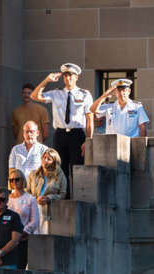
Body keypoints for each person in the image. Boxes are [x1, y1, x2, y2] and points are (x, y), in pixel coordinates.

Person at [32, 63, 94, 193]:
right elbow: (34, 96)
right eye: (65, 75)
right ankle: (62, 197)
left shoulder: (84, 94)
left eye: (71, 75)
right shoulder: (56, 93)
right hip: (60, 134)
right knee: (60, 169)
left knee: (77, 169)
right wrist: (46, 80)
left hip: (77, 134)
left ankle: (76, 198)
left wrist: (88, 139)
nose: (68, 78)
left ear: (76, 77)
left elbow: (89, 118)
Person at [26, 148, 66, 233]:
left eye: (49, 159)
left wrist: (49, 197)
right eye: (44, 157)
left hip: (50, 211)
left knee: (45, 235)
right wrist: (35, 199)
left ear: (54, 161)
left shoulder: (60, 176)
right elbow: (27, 192)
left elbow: (63, 194)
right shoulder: (33, 174)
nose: (45, 160)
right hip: (34, 208)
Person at [7, 168, 40, 269]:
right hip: (7, 239)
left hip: (23, 239)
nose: (14, 182)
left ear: (22, 180)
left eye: (17, 179)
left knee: (20, 267)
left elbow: (35, 220)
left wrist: (23, 232)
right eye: (11, 180)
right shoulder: (6, 199)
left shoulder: (30, 199)